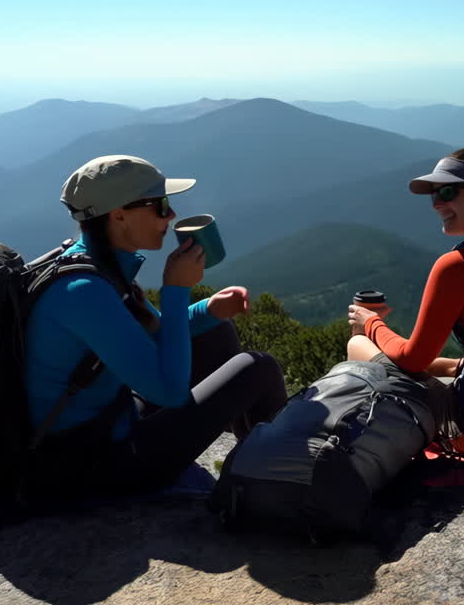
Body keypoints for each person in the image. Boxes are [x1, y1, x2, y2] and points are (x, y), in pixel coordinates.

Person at [25, 154, 286, 497]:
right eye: (159, 205)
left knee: (216, 331)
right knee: (259, 368)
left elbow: (156, 334)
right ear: (119, 214)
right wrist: (176, 290)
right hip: (91, 463)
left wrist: (210, 309)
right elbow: (170, 392)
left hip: (112, 420)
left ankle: (254, 469)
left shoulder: (95, 264)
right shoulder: (84, 292)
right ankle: (280, 483)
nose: (172, 214)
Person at [346, 146, 464, 456]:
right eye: (433, 194)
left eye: (448, 191)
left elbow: (413, 360)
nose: (436, 203)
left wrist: (370, 323)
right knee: (442, 366)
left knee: (357, 346)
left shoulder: (458, 266)